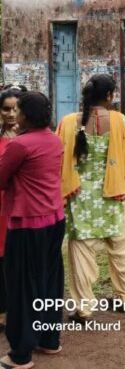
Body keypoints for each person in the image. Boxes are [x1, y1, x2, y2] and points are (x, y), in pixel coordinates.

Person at [58, 74, 125, 324]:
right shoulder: (118, 120)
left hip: (80, 194)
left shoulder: (69, 122)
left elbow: (59, 157)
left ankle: (83, 309)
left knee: (81, 250)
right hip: (114, 191)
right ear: (110, 96)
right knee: (121, 245)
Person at [0, 92, 65, 367]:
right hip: (55, 219)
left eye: (19, 111)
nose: (16, 115)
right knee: (49, 282)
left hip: (27, 224)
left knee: (23, 288)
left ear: (26, 114)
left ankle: (20, 354)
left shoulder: (20, 145)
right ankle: (49, 340)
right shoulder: (55, 139)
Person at [0, 86, 26, 336]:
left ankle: (20, 309)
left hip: (21, 207)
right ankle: (3, 310)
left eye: (16, 109)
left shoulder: (30, 138)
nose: (11, 114)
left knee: (18, 260)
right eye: (6, 109)